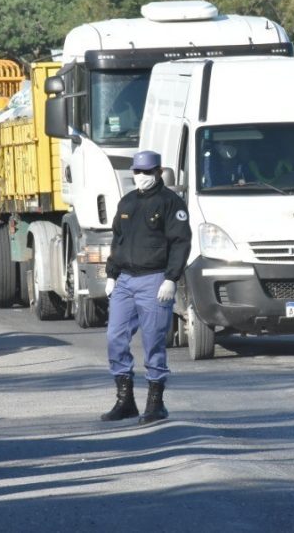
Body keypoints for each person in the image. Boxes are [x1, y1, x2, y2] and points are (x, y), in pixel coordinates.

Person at [101, 150, 192, 425]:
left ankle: (156, 403)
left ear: (159, 171)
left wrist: (171, 278)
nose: (141, 177)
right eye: (137, 172)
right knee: (115, 338)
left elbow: (180, 242)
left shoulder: (170, 202)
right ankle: (125, 400)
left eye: (147, 172)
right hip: (125, 280)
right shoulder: (127, 202)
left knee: (153, 341)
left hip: (154, 279)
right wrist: (111, 274)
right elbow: (118, 240)